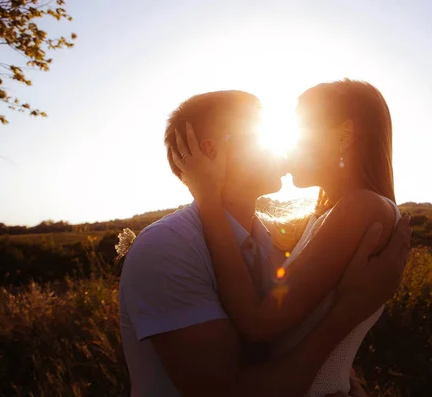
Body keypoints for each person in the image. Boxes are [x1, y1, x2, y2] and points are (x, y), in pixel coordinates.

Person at [118, 90, 411, 397]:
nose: (282, 147)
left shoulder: (267, 243)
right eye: (257, 134)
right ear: (210, 151)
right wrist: (349, 311)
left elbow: (292, 336)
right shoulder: (167, 249)